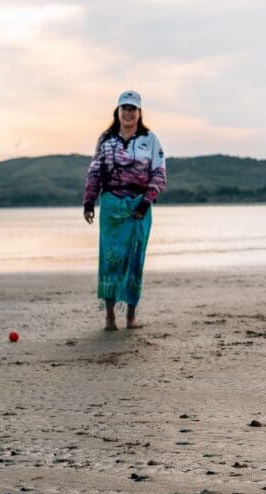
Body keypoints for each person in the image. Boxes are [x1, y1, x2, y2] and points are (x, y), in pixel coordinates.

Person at [82, 90, 166, 330]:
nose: (128, 113)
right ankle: (110, 317)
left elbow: (159, 174)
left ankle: (130, 317)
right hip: (111, 206)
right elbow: (95, 171)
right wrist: (89, 201)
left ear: (139, 113)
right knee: (110, 260)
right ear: (117, 112)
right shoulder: (106, 140)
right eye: (124, 108)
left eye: (132, 108)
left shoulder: (150, 139)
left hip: (139, 207)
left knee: (134, 260)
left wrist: (146, 201)